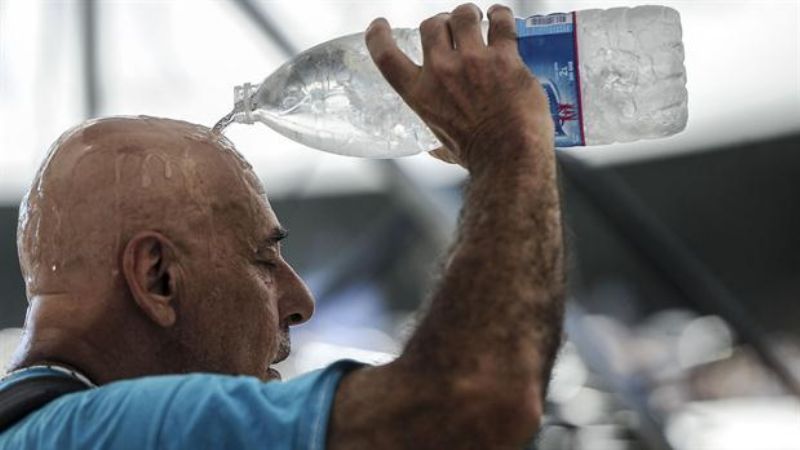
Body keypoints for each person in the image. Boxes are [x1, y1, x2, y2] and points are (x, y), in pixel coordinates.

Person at [0, 3, 564, 449]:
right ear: (158, 277)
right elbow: (478, 400)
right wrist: (507, 146)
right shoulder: (107, 432)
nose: (300, 301)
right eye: (264, 260)